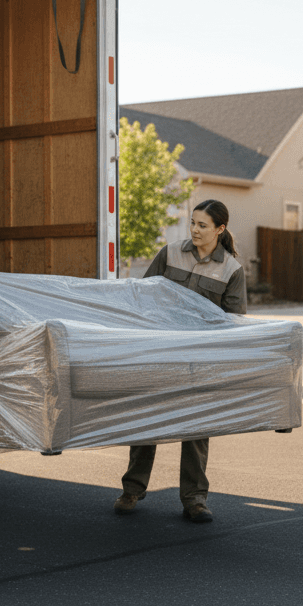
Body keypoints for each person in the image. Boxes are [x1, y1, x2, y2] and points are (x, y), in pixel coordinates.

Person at [114, 199, 245, 523]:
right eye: (193, 223)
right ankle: (132, 489)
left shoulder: (231, 269)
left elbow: (234, 322)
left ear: (220, 229)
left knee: (197, 428)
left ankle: (194, 500)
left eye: (203, 225)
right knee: (147, 419)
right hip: (161, 352)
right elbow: (142, 296)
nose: (195, 230)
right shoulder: (170, 252)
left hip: (200, 360)